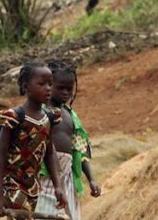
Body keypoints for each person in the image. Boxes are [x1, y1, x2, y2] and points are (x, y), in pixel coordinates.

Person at [0, 62, 66, 217]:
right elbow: (0, 155)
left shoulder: (50, 117)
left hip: (32, 186)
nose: (48, 88)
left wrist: (58, 186)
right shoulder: (14, 117)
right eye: (42, 84)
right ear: (26, 87)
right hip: (12, 185)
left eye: (50, 84)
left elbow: (49, 153)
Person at [36, 60, 101, 220]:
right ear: (49, 85)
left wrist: (91, 179)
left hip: (68, 177)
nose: (66, 92)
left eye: (69, 89)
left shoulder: (71, 115)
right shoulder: (40, 112)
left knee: (71, 215)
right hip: (45, 173)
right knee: (45, 214)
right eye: (60, 88)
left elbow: (79, 150)